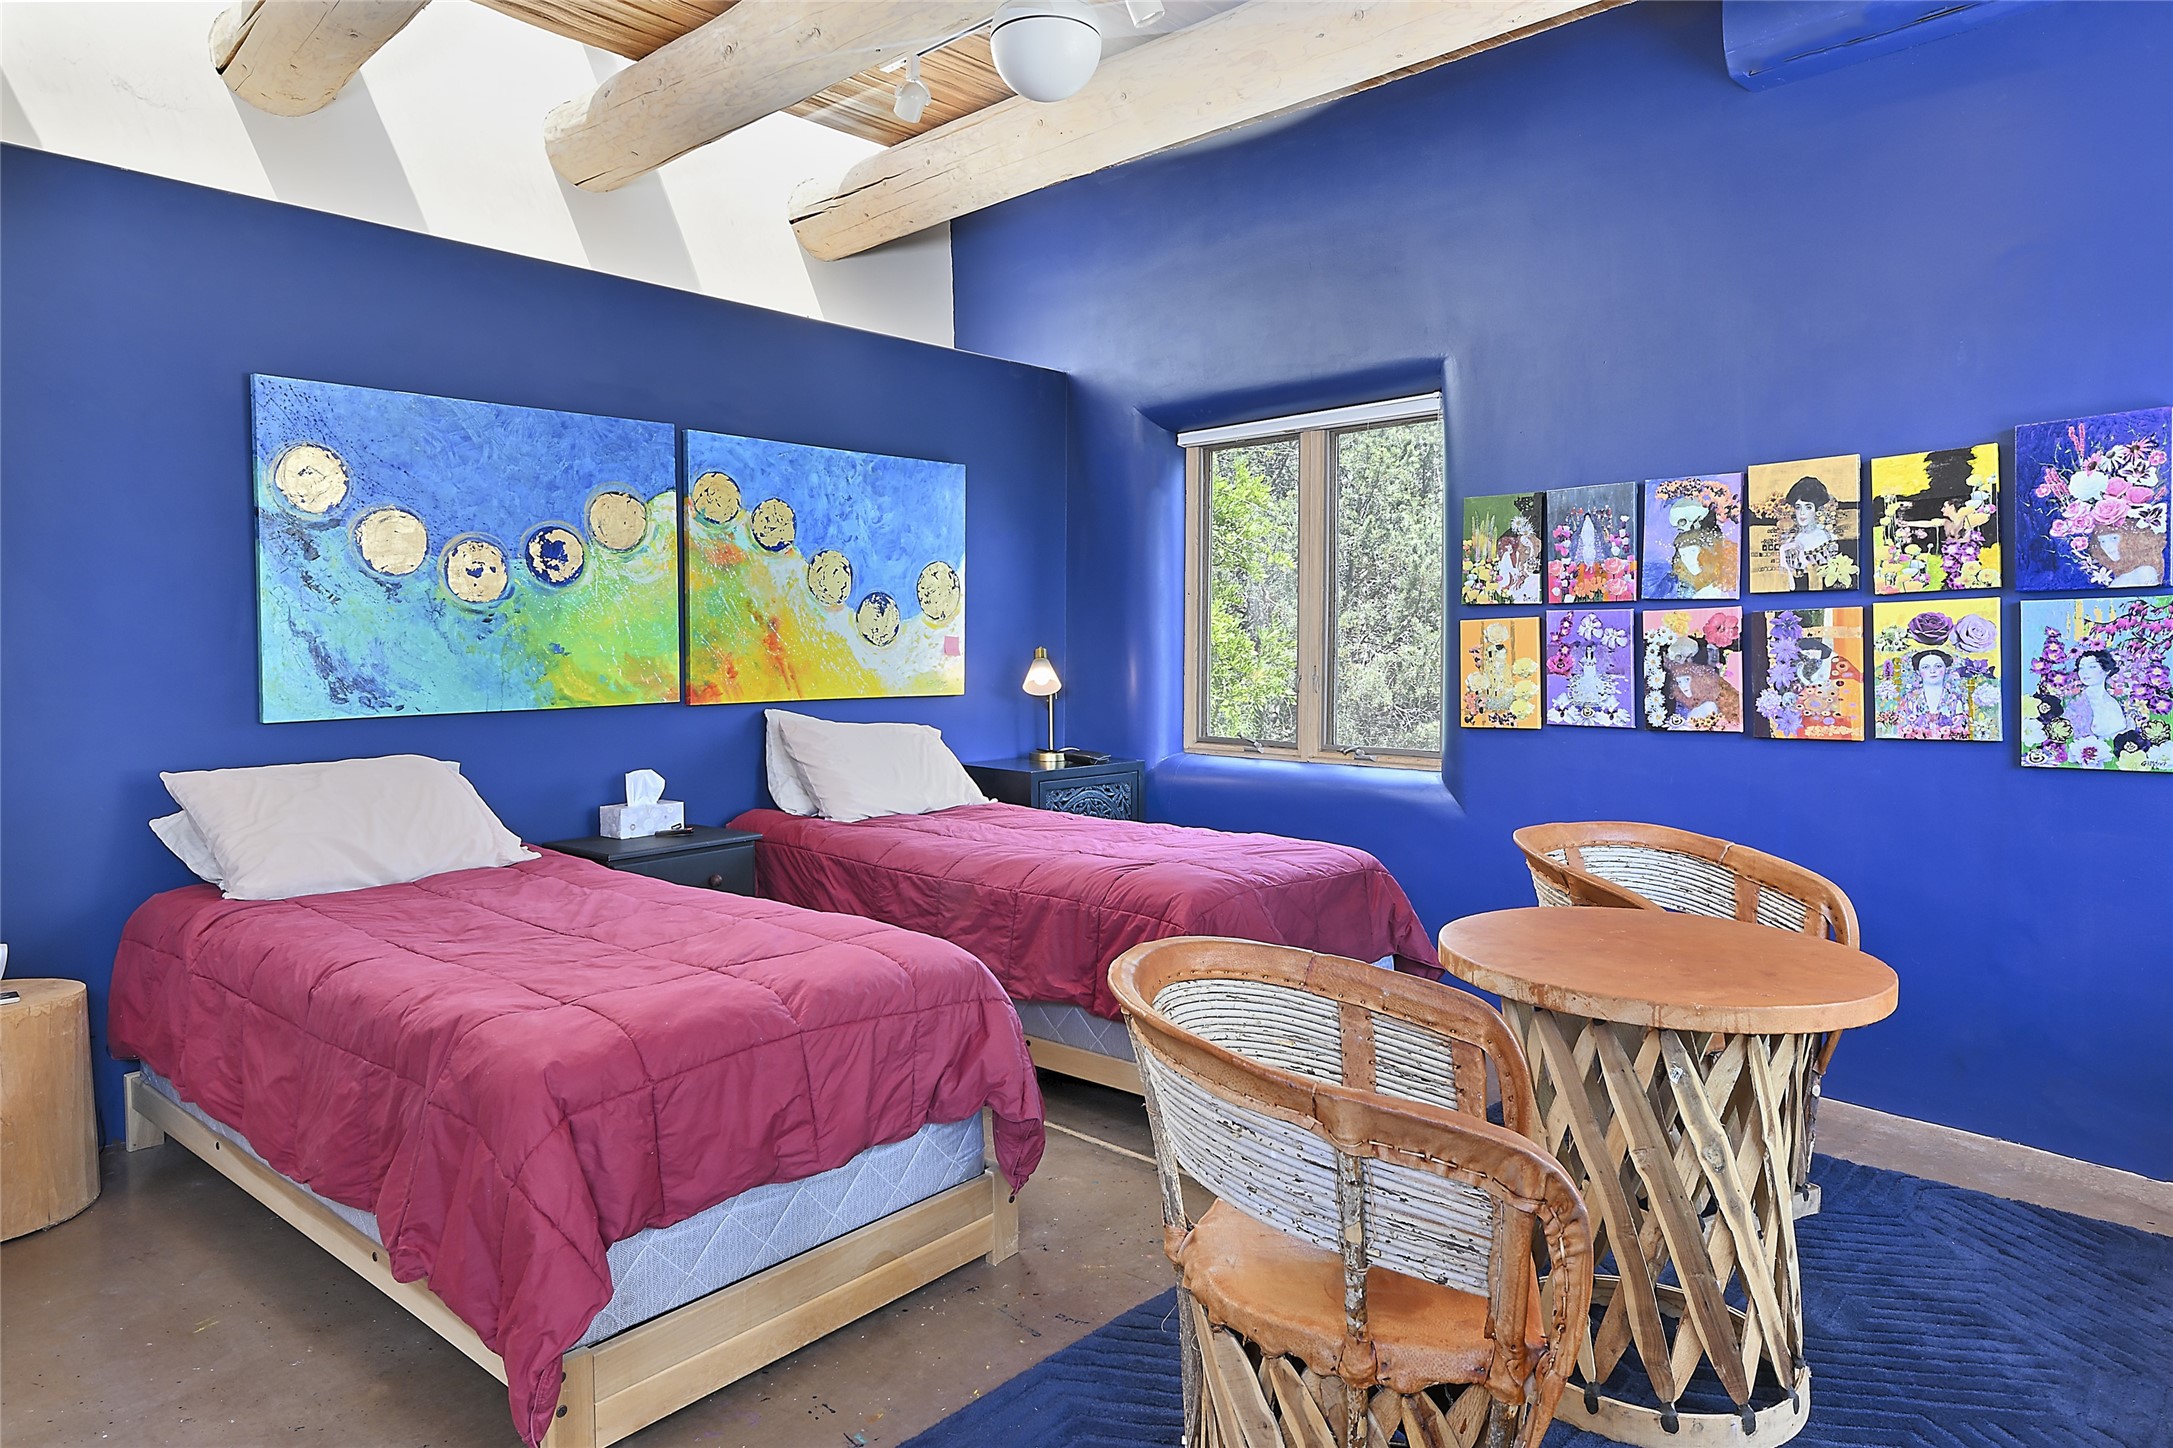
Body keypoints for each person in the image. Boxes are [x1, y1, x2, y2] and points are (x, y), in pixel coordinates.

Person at [2062, 649, 2133, 758]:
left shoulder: (2115, 701)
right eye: (2081, 668)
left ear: (2107, 670)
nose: (2085, 672)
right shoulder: (2076, 704)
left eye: (2092, 667)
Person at [1775, 476, 1842, 591]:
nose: (1802, 513)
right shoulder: (1790, 543)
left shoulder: (1829, 539)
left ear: (1817, 509)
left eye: (1808, 507)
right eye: (1798, 507)